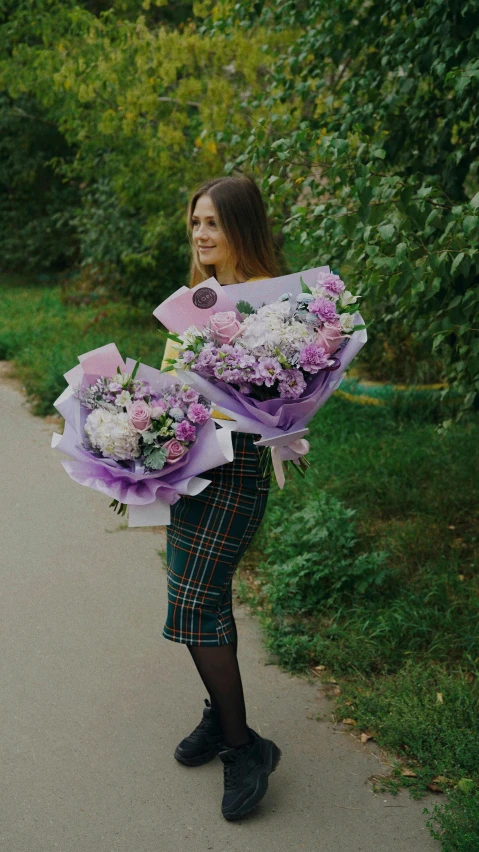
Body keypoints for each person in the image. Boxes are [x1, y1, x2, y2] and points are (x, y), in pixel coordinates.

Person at [160, 175, 282, 821]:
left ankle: (243, 748)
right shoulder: (194, 302)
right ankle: (220, 711)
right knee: (194, 601)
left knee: (196, 603)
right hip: (191, 472)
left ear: (241, 226)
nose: (202, 235)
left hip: (237, 474)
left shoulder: (278, 306)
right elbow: (175, 391)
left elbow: (285, 393)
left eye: (213, 222)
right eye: (195, 224)